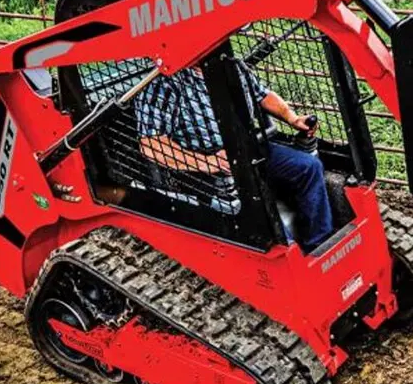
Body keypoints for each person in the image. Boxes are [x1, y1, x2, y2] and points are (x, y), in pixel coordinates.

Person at [134, 62, 334, 249]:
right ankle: (287, 254)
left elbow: (262, 95)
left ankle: (320, 244)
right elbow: (150, 144)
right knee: (253, 194)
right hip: (204, 165)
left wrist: (292, 117)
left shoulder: (232, 64)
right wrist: (208, 162)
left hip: (248, 148)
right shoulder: (162, 82)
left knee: (308, 167)